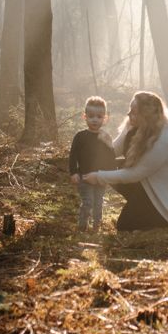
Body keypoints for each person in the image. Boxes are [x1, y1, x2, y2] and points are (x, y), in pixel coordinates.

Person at [81, 91, 168, 230]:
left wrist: (98, 177)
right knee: (108, 165)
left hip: (165, 198)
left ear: (146, 116)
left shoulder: (167, 136)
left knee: (124, 226)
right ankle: (137, 203)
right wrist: (88, 155)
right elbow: (113, 151)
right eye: (129, 109)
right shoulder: (134, 125)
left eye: (134, 112)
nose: (128, 114)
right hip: (148, 183)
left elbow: (135, 173)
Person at [67, 96, 117, 233]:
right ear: (85, 116)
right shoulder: (80, 136)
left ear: (105, 118)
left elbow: (111, 160)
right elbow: (73, 156)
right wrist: (74, 173)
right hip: (84, 177)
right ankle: (82, 226)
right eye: (91, 116)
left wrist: (110, 174)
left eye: (99, 116)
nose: (95, 119)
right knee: (88, 201)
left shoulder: (105, 137)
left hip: (100, 178)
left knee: (98, 203)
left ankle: (97, 227)